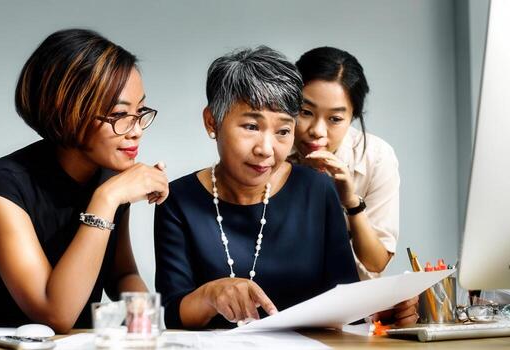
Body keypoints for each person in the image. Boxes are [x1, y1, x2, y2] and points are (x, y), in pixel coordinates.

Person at [154, 46, 417, 329]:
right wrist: (209, 295)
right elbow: (171, 312)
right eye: (251, 126)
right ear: (212, 122)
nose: (266, 149)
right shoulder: (177, 199)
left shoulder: (318, 189)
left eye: (282, 131)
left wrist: (381, 310)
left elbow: (346, 305)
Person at [0, 29, 169, 333]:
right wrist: (106, 200)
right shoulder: (0, 188)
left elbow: (121, 275)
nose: (136, 130)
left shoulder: (109, 177)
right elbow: (54, 315)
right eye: (121, 114)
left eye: (140, 112)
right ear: (69, 111)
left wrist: (150, 327)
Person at [290, 47, 400, 280]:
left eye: (335, 119)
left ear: (353, 116)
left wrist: (351, 203)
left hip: (355, 307)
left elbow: (376, 264)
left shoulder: (376, 157)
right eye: (305, 112)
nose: (317, 131)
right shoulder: (270, 153)